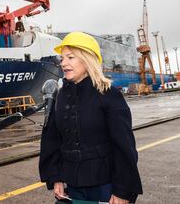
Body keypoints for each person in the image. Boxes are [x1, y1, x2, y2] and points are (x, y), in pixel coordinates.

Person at [39, 32, 142, 203]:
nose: (63, 63)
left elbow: (124, 146)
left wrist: (123, 190)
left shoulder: (109, 94)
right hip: (72, 187)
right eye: (62, 58)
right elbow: (52, 140)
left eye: (70, 57)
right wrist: (55, 177)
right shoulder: (60, 96)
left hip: (105, 186)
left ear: (87, 59)